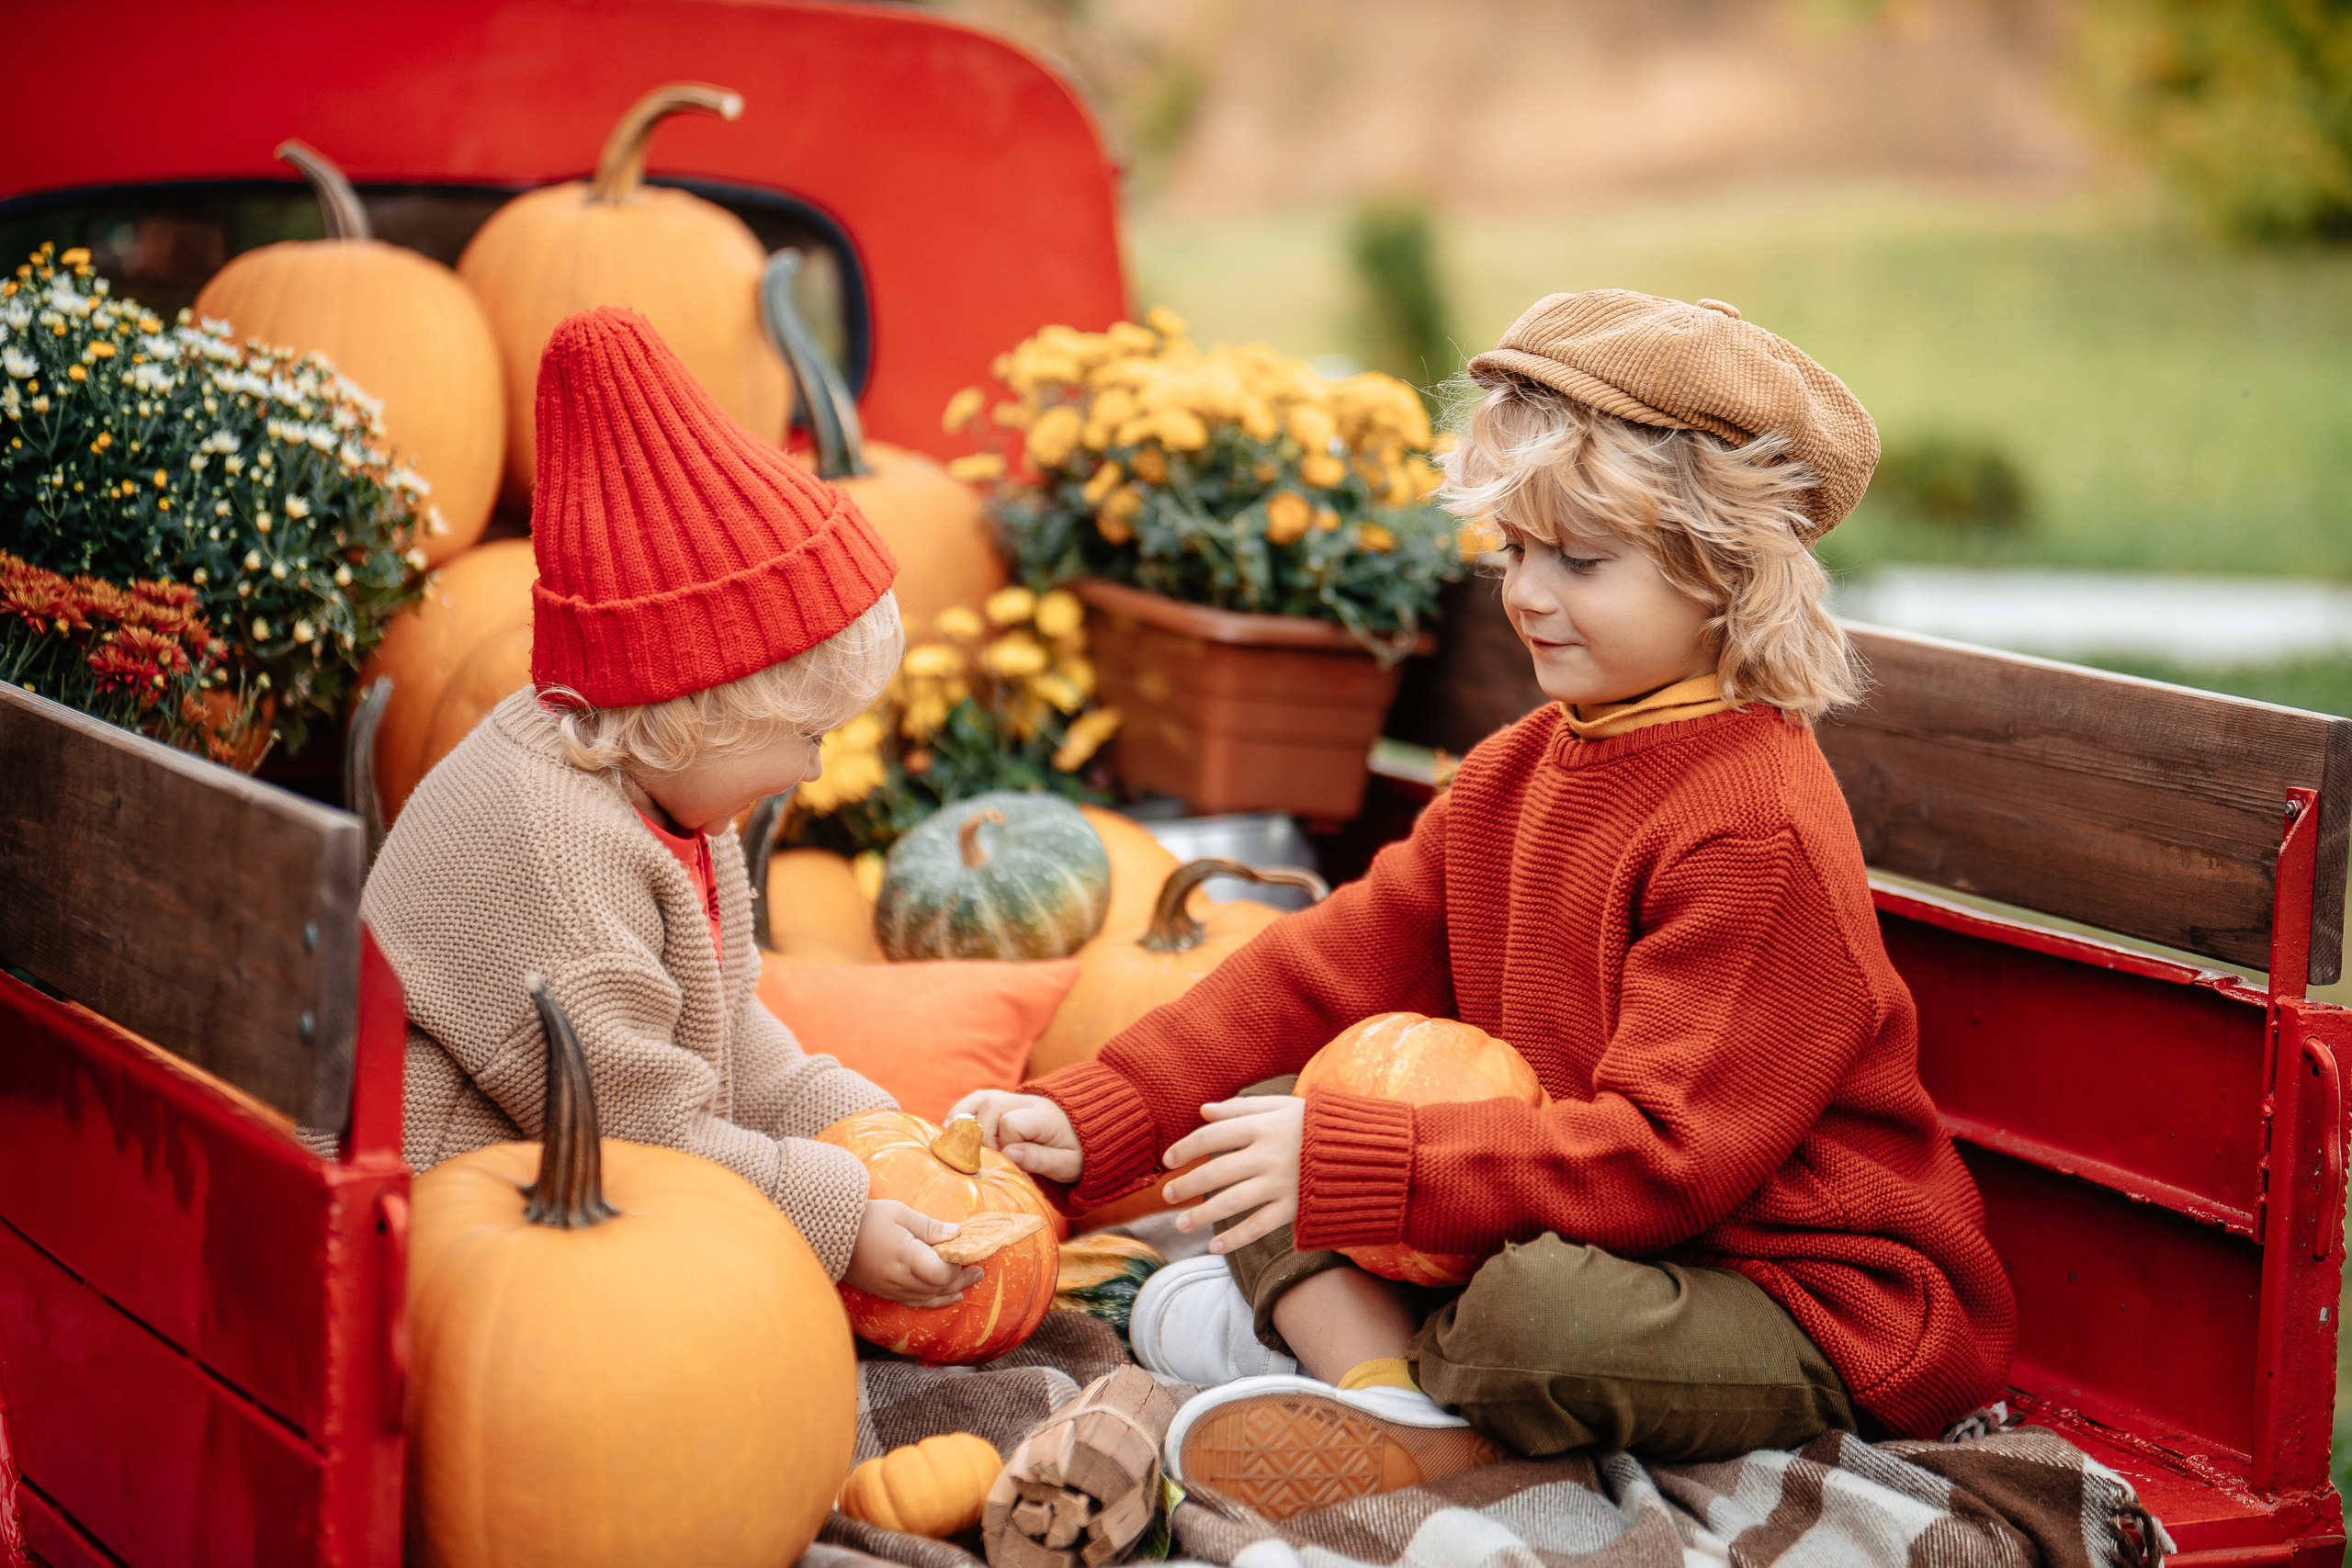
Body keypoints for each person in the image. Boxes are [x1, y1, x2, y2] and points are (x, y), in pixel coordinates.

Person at [956, 290, 2016, 1517]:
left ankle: (1370, 1367)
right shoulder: (1524, 764)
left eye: (1580, 559)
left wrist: (1365, 1168)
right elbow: (1326, 966)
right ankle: (1386, 1394)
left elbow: (1669, 1162)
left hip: (1781, 1281)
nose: (1528, 593)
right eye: (1513, 549)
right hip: (1574, 1208)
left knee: (1530, 1315)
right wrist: (1104, 1114)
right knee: (1250, 1124)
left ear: (1724, 572)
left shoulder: (1753, 826)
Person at [367, 305, 975, 1313]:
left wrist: (870, 1134)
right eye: (808, 736)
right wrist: (840, 1217)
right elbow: (637, 1134)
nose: (814, 773)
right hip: (456, 1250)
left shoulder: (660, 793)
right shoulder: (553, 850)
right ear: (700, 708)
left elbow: (725, 1025)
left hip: (580, 1189)